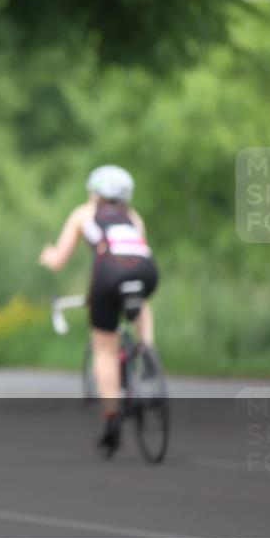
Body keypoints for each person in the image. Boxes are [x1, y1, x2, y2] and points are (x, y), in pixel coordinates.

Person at [39, 165, 158, 457]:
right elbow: (132, 253)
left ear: (95, 193)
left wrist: (47, 255)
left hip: (108, 276)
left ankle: (111, 415)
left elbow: (60, 260)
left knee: (105, 347)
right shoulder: (133, 217)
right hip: (146, 270)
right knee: (141, 302)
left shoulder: (83, 214)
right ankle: (147, 352)